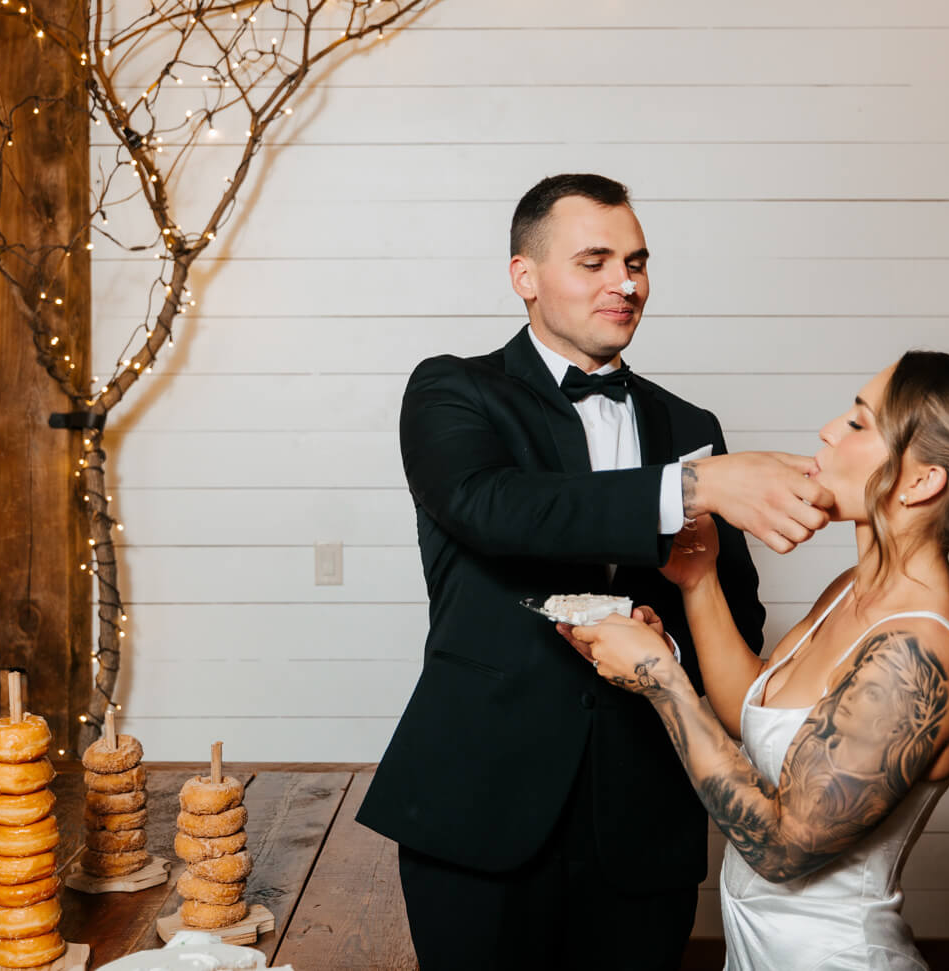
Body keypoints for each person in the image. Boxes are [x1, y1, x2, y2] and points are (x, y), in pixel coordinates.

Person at [356, 173, 835, 971]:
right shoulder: (452, 390)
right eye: (596, 260)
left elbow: (737, 618)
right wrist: (695, 486)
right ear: (526, 278)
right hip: (477, 811)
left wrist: (668, 649)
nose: (627, 282)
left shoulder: (691, 425)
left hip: (643, 819)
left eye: (638, 261)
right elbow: (492, 506)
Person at [571, 351, 949, 970]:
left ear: (922, 480)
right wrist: (698, 580)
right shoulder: (852, 587)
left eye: (860, 424)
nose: (828, 430)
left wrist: (662, 681)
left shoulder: (920, 652)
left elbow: (782, 848)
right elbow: (753, 715)